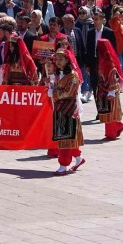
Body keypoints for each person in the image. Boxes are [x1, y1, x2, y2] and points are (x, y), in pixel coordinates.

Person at [46, 48, 86, 176]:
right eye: (56, 59)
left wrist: (54, 94)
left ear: (67, 60)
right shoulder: (58, 74)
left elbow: (70, 92)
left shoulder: (73, 75)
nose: (58, 62)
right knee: (68, 138)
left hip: (69, 110)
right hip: (59, 109)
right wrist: (51, 87)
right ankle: (78, 159)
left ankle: (63, 164)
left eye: (61, 59)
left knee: (65, 138)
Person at [96, 39, 123, 141]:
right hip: (103, 89)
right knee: (106, 111)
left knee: (110, 113)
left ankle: (111, 133)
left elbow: (113, 75)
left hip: (109, 90)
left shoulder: (109, 62)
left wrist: (111, 91)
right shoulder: (102, 59)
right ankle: (118, 126)